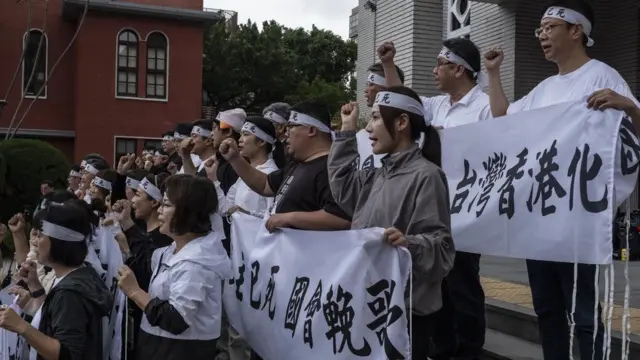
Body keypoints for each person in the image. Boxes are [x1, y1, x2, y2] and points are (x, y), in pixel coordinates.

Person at [483, 1, 640, 358]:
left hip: (577, 218)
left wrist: (628, 106)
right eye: (539, 30)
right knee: (548, 308)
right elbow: (504, 119)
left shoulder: (604, 76)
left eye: (550, 27)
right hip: (540, 217)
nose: (542, 36)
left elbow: (634, 135)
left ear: (576, 31)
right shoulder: (544, 89)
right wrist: (493, 73)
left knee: (582, 312)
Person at [381, 38, 491, 360]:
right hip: (434, 209)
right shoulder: (436, 106)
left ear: (459, 68)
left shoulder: (483, 106)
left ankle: (469, 351)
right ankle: (441, 350)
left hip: (469, 212)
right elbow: (401, 104)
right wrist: (389, 66)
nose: (434, 71)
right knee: (437, 286)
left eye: (441, 64)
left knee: (464, 287)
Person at [328, 87, 454, 359]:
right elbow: (341, 187)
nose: (369, 127)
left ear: (401, 122)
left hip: (403, 312)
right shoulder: (377, 175)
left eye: (375, 118)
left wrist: (409, 243)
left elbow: (442, 247)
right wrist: (347, 131)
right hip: (366, 301)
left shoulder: (427, 176)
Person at [115, 174, 231, 360]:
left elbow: (177, 319)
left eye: (167, 205)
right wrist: (127, 225)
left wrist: (134, 291)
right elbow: (148, 259)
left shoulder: (197, 262)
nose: (159, 210)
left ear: (187, 213)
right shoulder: (176, 249)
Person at [0, 202, 113, 360]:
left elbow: (67, 353)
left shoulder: (71, 293)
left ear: (59, 242)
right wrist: (37, 290)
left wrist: (20, 326)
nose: (34, 242)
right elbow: (58, 321)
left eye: (40, 236)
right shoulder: (81, 273)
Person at [219, 101, 351, 232]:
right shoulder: (297, 164)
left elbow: (341, 218)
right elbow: (265, 185)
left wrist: (290, 218)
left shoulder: (331, 168)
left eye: (291, 127)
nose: (286, 133)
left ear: (311, 130)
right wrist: (235, 159)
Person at [210, 116, 285, 218]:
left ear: (261, 141)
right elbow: (225, 209)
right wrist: (214, 180)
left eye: (245, 134)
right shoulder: (245, 173)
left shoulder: (271, 174)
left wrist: (245, 212)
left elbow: (274, 217)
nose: (240, 140)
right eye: (240, 135)